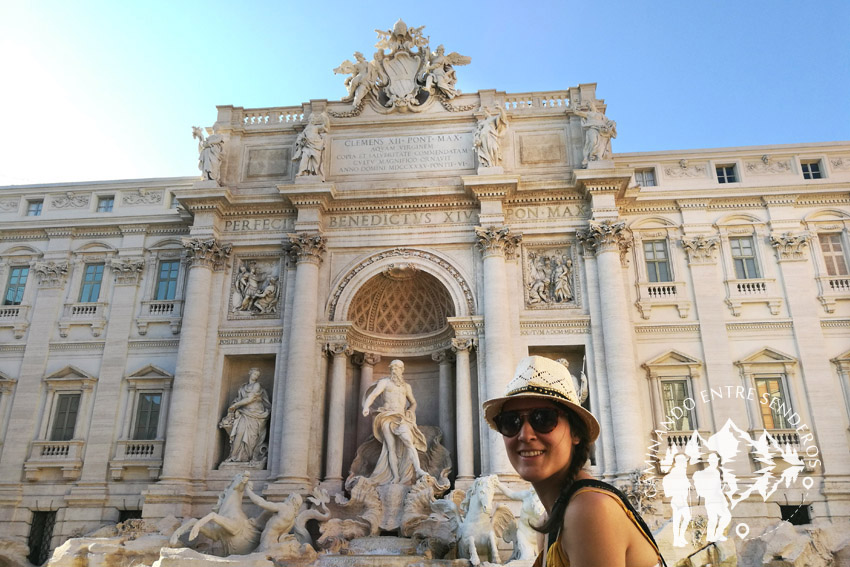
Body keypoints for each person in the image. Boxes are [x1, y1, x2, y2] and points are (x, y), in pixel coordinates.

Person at [483, 356, 665, 567]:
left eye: (543, 418)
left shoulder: (590, 510)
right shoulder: (549, 519)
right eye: (510, 421)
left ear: (576, 432)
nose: (525, 435)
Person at [361, 359, 428, 484]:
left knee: (409, 441)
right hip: (386, 416)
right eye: (392, 367)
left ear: (402, 370)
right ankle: (395, 476)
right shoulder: (384, 382)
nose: (394, 369)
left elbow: (413, 402)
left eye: (396, 367)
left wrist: (411, 411)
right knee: (390, 447)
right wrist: (366, 407)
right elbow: (373, 395)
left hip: (401, 417)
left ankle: (418, 469)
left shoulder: (406, 387)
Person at [221, 368, 271, 463]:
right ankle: (233, 456)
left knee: (252, 438)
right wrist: (236, 408)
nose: (255, 376)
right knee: (239, 433)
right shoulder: (243, 387)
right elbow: (238, 399)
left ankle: (247, 458)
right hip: (244, 413)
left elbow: (250, 399)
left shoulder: (257, 385)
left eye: (257, 375)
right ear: (250, 373)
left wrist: (235, 405)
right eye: (254, 374)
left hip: (256, 414)